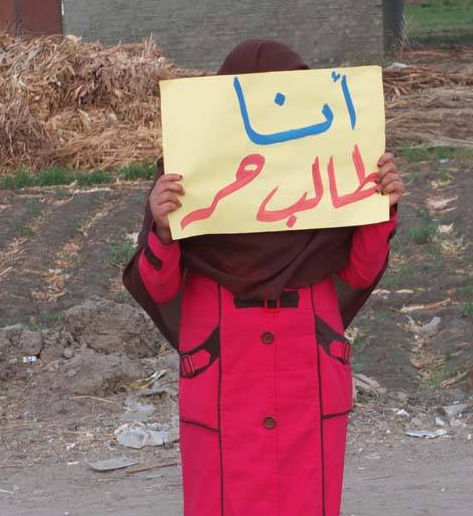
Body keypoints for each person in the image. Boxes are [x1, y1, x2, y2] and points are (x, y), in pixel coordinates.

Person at [123, 39, 404, 516]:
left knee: (305, 500)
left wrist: (381, 207)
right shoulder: (184, 182)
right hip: (221, 369)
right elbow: (159, 288)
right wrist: (165, 232)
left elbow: (359, 272)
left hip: (307, 369)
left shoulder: (333, 173)